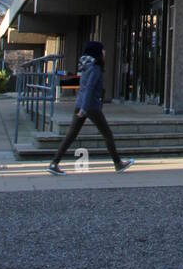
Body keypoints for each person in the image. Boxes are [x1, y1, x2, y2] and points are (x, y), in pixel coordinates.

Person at [48, 41, 133, 175]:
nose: (104, 52)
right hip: (90, 106)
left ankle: (54, 163)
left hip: (80, 104)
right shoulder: (95, 68)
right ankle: (118, 163)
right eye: (102, 50)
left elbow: (84, 87)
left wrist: (81, 107)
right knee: (107, 134)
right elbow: (89, 89)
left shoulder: (85, 66)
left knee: (71, 135)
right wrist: (85, 108)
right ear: (97, 52)